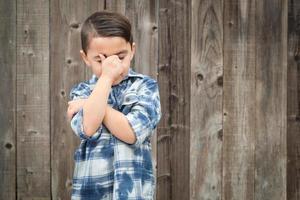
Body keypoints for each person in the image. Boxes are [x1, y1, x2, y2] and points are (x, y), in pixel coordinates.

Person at [67, 11, 161, 200]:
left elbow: (131, 133)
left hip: (133, 193)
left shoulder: (146, 87)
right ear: (85, 58)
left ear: (132, 50)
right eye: (101, 60)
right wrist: (106, 80)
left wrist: (89, 104)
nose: (112, 66)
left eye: (120, 57)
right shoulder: (82, 92)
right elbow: (87, 128)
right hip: (91, 193)